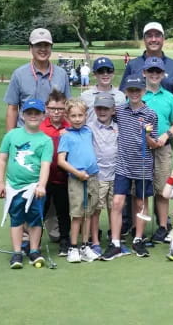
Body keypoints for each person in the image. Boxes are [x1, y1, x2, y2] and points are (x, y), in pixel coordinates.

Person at [101, 75, 158, 260]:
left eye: (138, 90)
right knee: (117, 202)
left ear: (144, 91)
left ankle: (138, 239)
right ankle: (116, 242)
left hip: (142, 165)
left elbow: (154, 144)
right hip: (123, 165)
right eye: (131, 90)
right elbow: (102, 117)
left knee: (140, 204)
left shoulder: (150, 114)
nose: (134, 93)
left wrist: (147, 134)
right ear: (126, 92)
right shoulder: (119, 111)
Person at [0, 99, 53, 269]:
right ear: (23, 115)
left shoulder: (45, 140)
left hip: (34, 187)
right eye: (29, 113)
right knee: (17, 219)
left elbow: (45, 165)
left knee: (35, 220)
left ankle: (34, 250)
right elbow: (2, 159)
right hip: (13, 186)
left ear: (43, 116)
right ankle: (17, 252)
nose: (33, 116)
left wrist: (42, 185)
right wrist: (0, 182)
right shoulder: (11, 135)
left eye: (37, 113)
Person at [87, 94, 131, 258]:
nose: (102, 111)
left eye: (106, 108)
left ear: (113, 110)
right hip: (98, 175)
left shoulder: (119, 127)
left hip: (116, 174)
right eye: (99, 108)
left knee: (116, 209)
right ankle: (96, 242)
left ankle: (116, 241)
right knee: (96, 210)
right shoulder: (89, 127)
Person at [57, 98, 100, 263]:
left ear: (86, 116)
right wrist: (77, 173)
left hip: (92, 176)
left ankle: (84, 246)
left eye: (80, 115)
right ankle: (73, 247)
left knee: (89, 213)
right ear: (67, 117)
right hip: (76, 178)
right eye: (73, 116)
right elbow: (61, 161)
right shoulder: (66, 135)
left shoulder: (89, 131)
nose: (77, 119)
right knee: (77, 214)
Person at [4, 28, 70, 131]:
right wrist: (10, 139)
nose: (43, 49)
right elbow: (12, 109)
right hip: (26, 134)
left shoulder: (62, 74)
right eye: (38, 45)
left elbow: (67, 108)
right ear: (30, 48)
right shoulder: (19, 74)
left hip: (54, 134)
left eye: (46, 45)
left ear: (51, 47)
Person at [141, 57, 173, 243]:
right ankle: (139, 228)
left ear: (163, 74)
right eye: (151, 71)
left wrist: (166, 136)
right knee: (142, 189)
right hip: (142, 148)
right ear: (144, 73)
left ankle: (163, 226)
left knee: (163, 188)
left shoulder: (170, 97)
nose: (154, 75)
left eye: (158, 72)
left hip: (163, 147)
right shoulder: (138, 94)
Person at [39, 90, 71, 256]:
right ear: (46, 108)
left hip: (63, 178)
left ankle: (65, 240)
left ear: (65, 108)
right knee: (40, 211)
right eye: (53, 108)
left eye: (60, 108)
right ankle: (33, 242)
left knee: (63, 210)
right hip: (43, 179)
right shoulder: (41, 127)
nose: (56, 112)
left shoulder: (70, 126)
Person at [120, 22, 173, 97]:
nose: (153, 39)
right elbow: (123, 94)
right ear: (144, 39)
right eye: (149, 36)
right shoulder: (132, 65)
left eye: (157, 35)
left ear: (163, 39)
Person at [81, 57, 126, 123]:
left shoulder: (120, 96)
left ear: (113, 73)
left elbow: (123, 120)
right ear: (95, 74)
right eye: (101, 71)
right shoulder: (85, 96)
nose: (105, 74)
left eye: (109, 70)